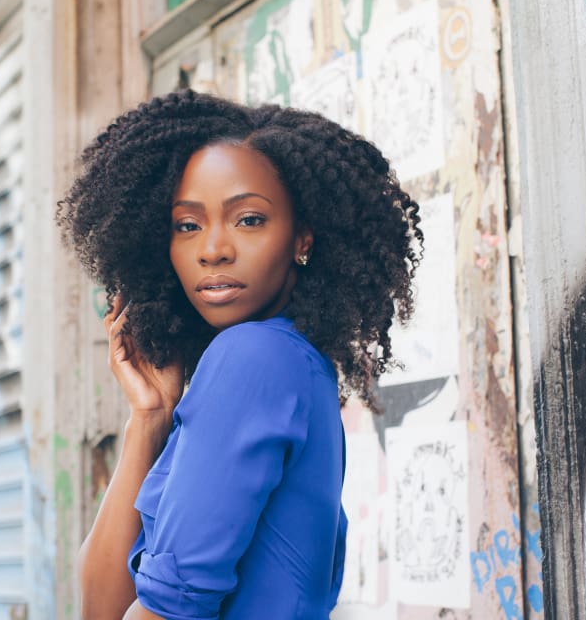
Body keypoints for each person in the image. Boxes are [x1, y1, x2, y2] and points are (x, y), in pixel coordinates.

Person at [57, 89, 422, 619]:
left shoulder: (254, 358)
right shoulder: (289, 363)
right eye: (188, 225)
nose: (213, 249)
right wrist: (149, 418)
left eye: (248, 219)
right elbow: (102, 601)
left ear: (302, 238)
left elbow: (158, 610)